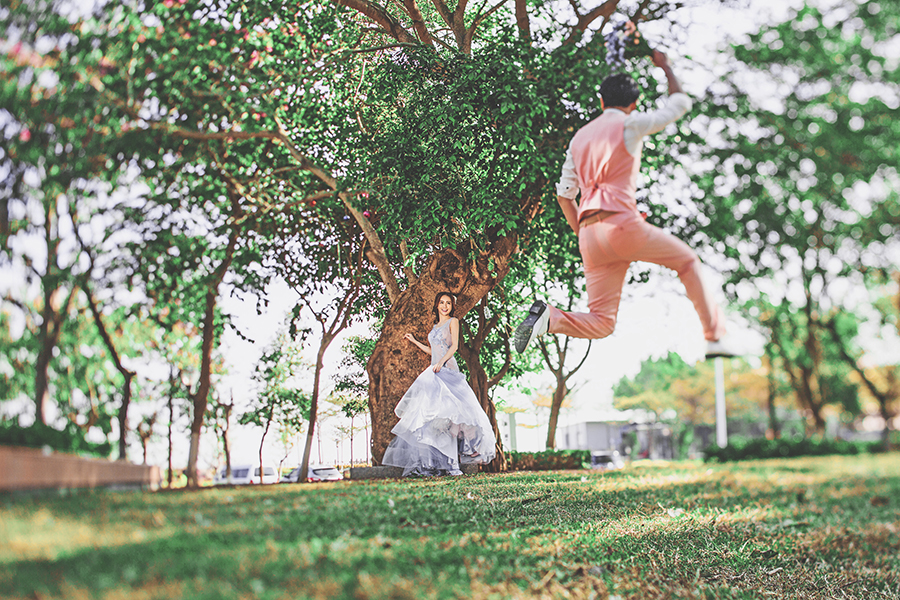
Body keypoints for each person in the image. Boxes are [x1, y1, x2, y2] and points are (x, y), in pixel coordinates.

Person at [514, 49, 740, 359]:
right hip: (621, 224)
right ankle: (715, 337)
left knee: (602, 322)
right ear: (632, 104)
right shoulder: (630, 123)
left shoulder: (578, 138)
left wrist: (582, 232)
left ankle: (549, 318)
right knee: (687, 262)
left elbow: (565, 194)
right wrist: (666, 68)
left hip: (589, 236)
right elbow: (679, 104)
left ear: (601, 101)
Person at [382, 292, 497, 477]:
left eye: (448, 303)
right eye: (442, 303)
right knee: (431, 420)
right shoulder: (435, 326)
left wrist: (441, 363)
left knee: (451, 418)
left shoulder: (453, 321)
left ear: (452, 306)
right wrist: (415, 341)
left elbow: (454, 347)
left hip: (448, 373)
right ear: (437, 305)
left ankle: (453, 465)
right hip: (435, 372)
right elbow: (433, 350)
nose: (445, 306)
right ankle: (429, 465)